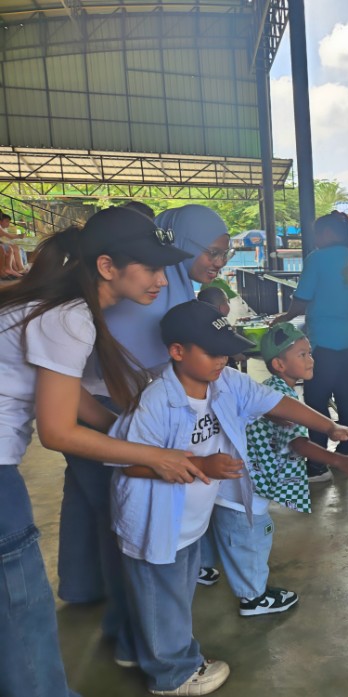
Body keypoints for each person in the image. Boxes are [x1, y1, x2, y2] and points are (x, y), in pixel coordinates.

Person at [108, 300, 348, 695]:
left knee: (163, 595)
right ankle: (173, 674)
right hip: (156, 521)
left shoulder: (225, 381)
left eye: (225, 350)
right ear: (177, 352)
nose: (223, 359)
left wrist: (330, 426)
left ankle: (133, 648)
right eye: (212, 351)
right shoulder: (157, 400)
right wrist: (202, 467)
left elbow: (278, 403)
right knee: (164, 598)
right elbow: (129, 463)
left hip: (190, 520)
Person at [0, 207, 205, 697]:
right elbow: (57, 431)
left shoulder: (67, 306)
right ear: (108, 267)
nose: (160, 280)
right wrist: (157, 457)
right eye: (150, 267)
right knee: (21, 599)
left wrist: (126, 432)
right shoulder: (70, 317)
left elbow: (72, 398)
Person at [56, 204, 235, 663]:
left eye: (225, 253)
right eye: (213, 252)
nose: (219, 263)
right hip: (104, 412)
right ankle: (146, 647)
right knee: (128, 531)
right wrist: (131, 436)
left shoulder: (158, 285)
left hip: (117, 409)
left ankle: (117, 624)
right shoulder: (78, 312)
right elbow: (63, 409)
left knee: (104, 514)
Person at [197, 322, 348, 611]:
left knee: (221, 527)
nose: (311, 359)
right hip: (247, 486)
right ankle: (253, 598)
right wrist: (339, 459)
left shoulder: (271, 388)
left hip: (231, 480)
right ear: (279, 364)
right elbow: (298, 444)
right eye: (302, 355)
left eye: (310, 353)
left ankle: (201, 570)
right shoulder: (282, 397)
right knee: (252, 537)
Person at [274, 211, 348, 482]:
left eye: (317, 233)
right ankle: (347, 449)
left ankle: (317, 464)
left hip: (325, 341)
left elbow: (302, 298)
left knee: (315, 400)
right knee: (345, 395)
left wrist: (285, 317)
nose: (315, 239)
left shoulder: (318, 258)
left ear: (327, 233)